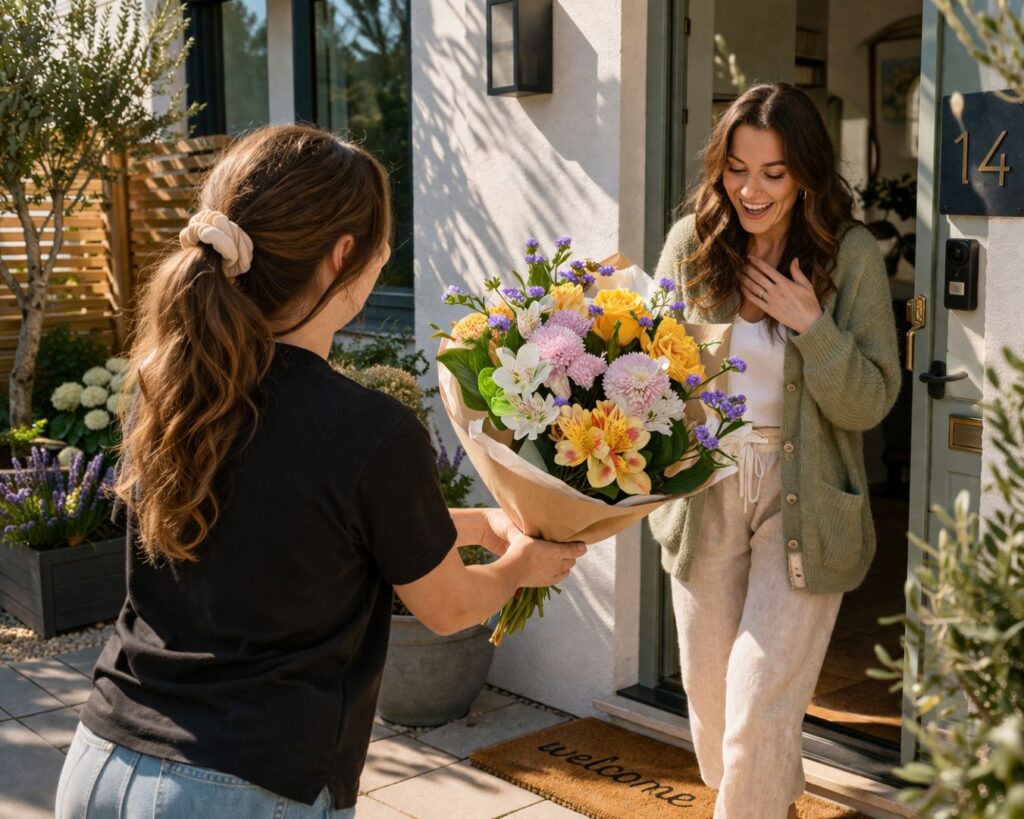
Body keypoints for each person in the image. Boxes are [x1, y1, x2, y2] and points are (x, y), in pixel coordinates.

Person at [56, 125, 586, 818]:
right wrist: (522, 565)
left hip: (100, 761)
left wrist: (476, 524)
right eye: (381, 245)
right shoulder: (367, 428)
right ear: (342, 259)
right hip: (240, 786)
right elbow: (447, 604)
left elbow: (284, 529)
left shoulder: (173, 392)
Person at [648, 82, 901, 819]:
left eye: (774, 173)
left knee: (758, 705)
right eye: (737, 168)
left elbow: (871, 401)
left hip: (807, 498)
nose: (750, 189)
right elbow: (644, 369)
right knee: (712, 700)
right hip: (706, 494)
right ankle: (771, 803)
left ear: (807, 175)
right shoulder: (690, 246)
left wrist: (812, 326)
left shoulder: (848, 256)